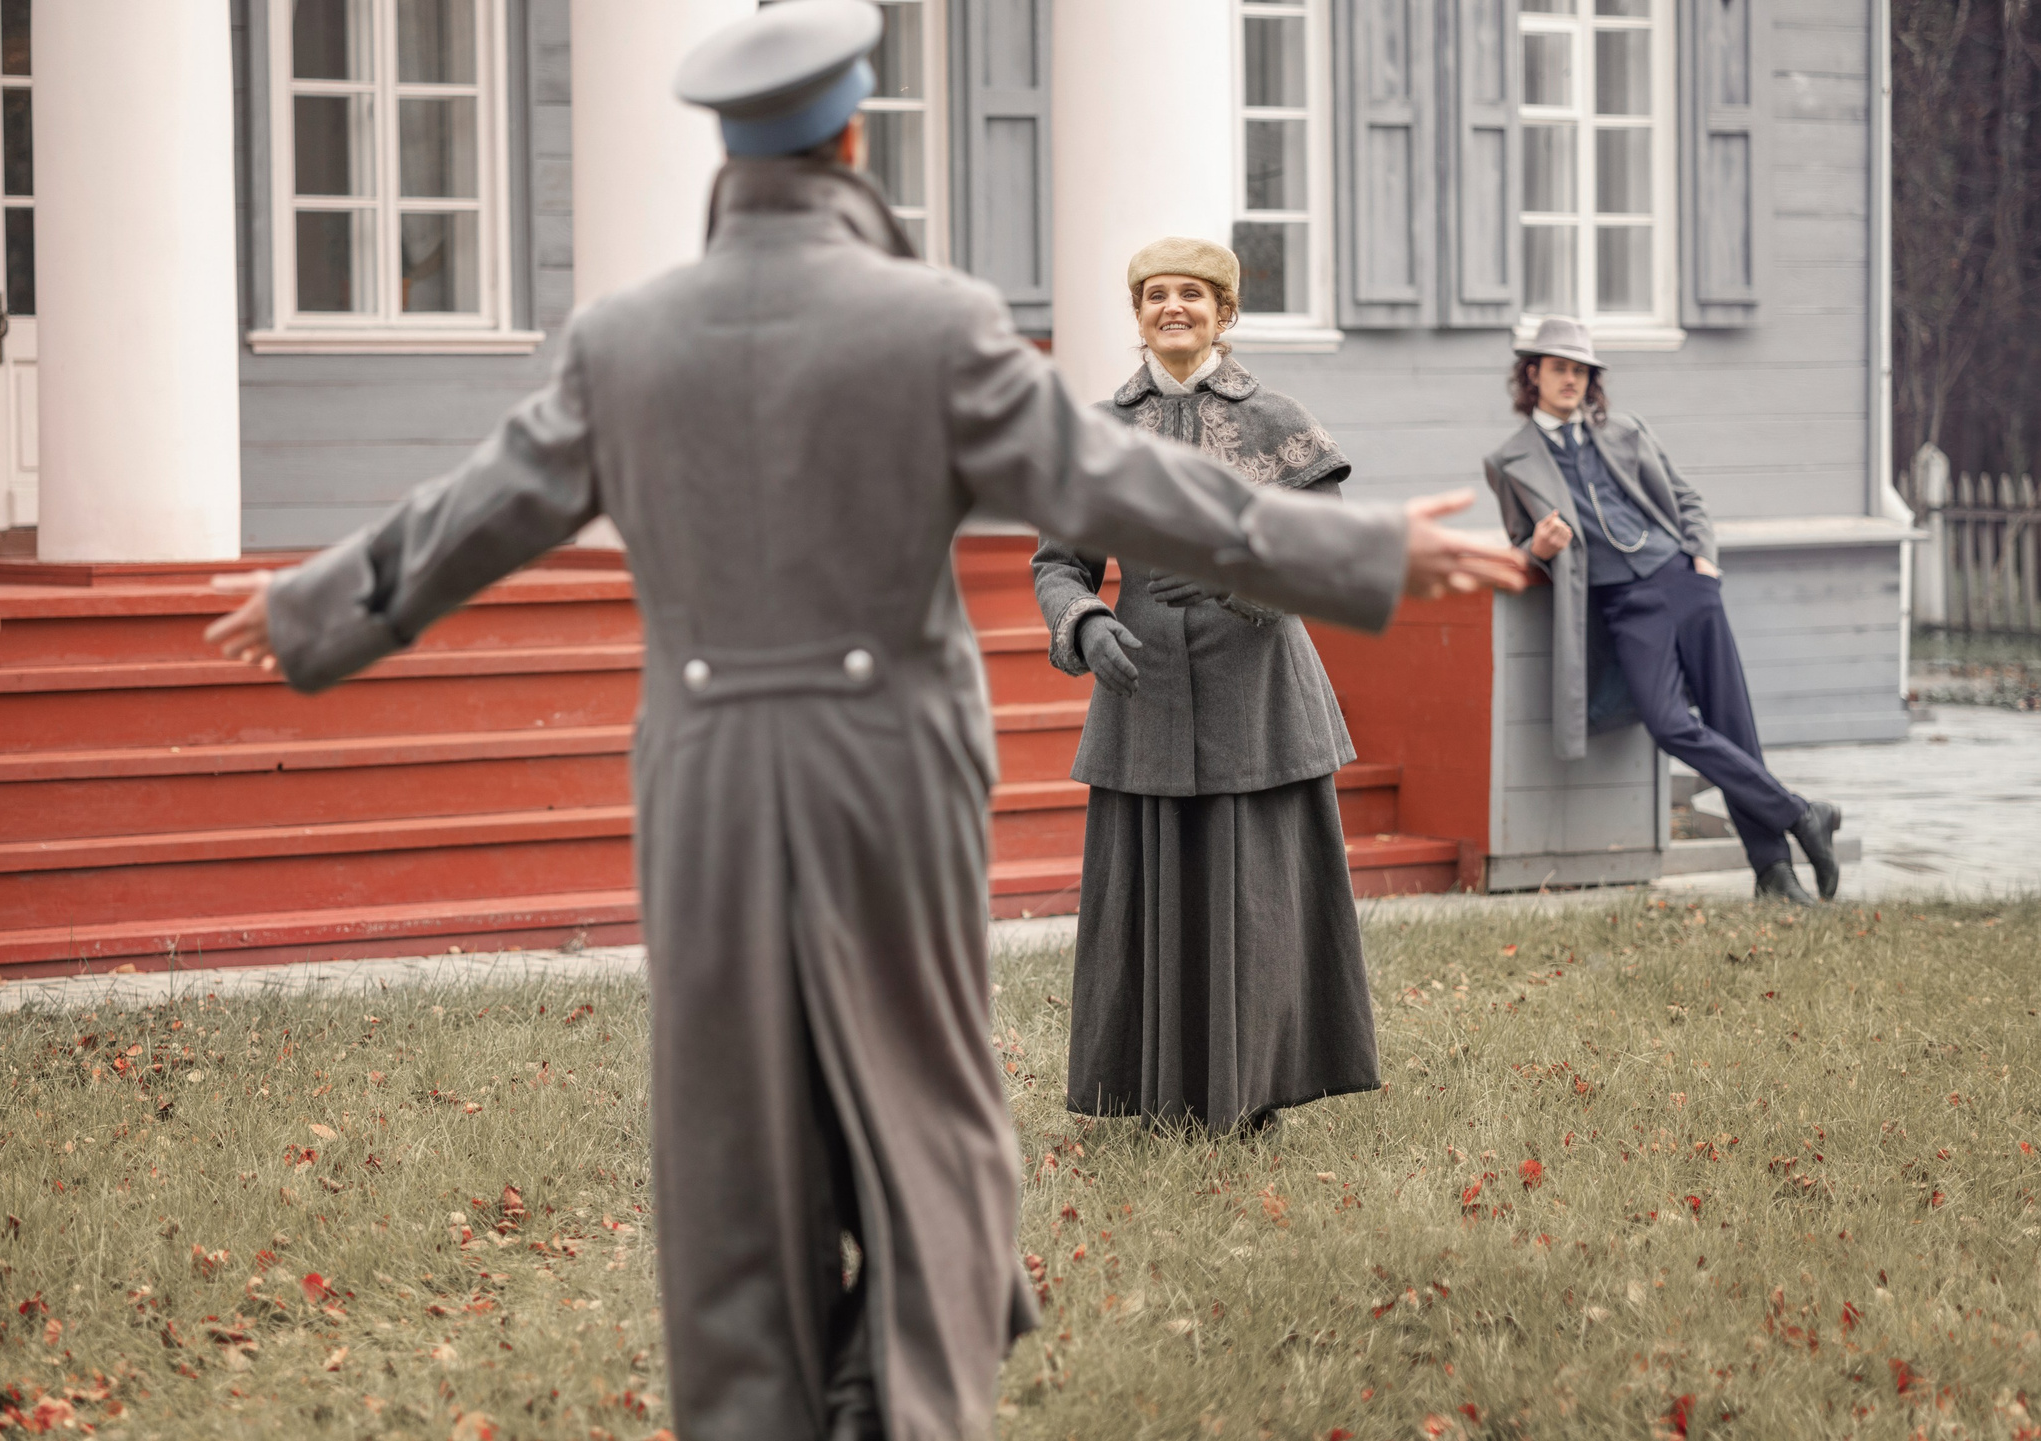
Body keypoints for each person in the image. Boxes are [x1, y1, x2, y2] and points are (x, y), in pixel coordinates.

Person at [201, 7, 1523, 1438]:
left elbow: (480, 507)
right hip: (887, 766)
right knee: (925, 1113)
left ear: (729, 150)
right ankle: (902, 1401)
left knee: (728, 1138)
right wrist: (1363, 555)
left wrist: (314, 610)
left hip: (703, 777)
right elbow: (1128, 491)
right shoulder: (934, 324)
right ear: (850, 140)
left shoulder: (623, 339)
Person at [1032, 238, 1377, 1134]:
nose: (1172, 308)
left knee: (1251, 897)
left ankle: (1251, 1095)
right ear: (1138, 312)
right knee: (1151, 892)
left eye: (1193, 294)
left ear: (1226, 313)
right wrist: (1086, 622)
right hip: (1142, 691)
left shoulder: (1277, 421)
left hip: (1257, 700)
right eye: (1154, 295)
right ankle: (1152, 1096)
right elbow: (1058, 563)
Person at [1481, 317, 1841, 905]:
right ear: (1532, 375)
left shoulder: (1627, 431)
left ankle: (1773, 871)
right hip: (1622, 604)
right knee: (1670, 722)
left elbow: (1687, 499)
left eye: (1581, 371)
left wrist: (1703, 559)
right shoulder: (1509, 461)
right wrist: (1534, 550)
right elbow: (1522, 542)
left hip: (1681, 582)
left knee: (1732, 721)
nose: (1571, 380)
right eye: (1559, 369)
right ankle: (1802, 814)